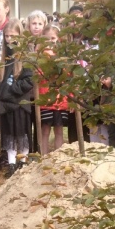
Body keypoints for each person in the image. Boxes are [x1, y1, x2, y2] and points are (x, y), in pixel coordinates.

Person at [0, 19, 33, 177]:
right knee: (8, 135)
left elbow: (28, 81)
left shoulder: (26, 56)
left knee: (21, 135)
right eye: (7, 36)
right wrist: (0, 89)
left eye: (13, 36)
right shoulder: (5, 57)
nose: (9, 39)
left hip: (20, 104)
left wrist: (11, 90)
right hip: (7, 106)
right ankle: (11, 164)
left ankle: (23, 163)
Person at [38, 25, 68, 154]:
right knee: (45, 130)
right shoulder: (40, 56)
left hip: (61, 100)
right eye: (47, 38)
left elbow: (67, 76)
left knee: (59, 130)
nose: (50, 41)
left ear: (58, 39)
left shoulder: (62, 56)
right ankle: (44, 157)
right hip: (46, 100)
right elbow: (38, 75)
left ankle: (58, 157)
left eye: (53, 38)